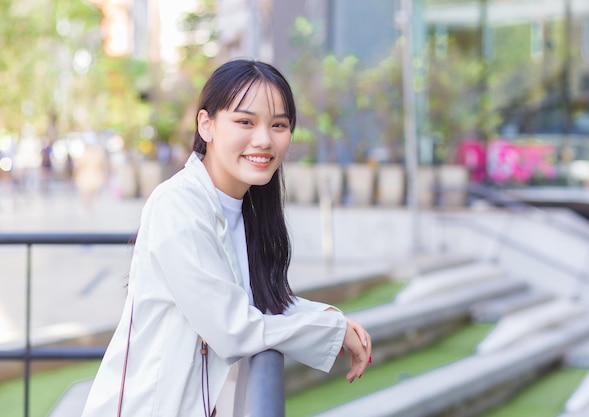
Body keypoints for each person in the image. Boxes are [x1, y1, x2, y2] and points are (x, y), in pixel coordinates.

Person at [81, 59, 372, 417]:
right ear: (207, 125)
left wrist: (328, 315)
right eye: (245, 122)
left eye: (279, 125)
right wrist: (329, 327)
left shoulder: (246, 207)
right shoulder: (178, 205)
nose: (264, 139)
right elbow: (232, 328)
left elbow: (253, 300)